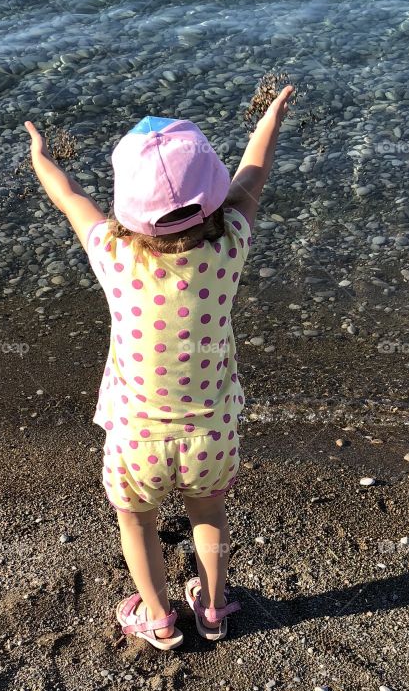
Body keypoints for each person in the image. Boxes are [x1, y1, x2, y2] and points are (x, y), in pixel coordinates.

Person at [25, 82, 294, 649]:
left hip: (135, 437)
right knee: (209, 516)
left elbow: (69, 198)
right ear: (212, 193)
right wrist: (270, 118)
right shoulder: (230, 242)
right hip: (210, 434)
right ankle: (213, 609)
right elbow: (253, 173)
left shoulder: (113, 252)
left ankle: (158, 616)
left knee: (137, 523)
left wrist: (41, 158)